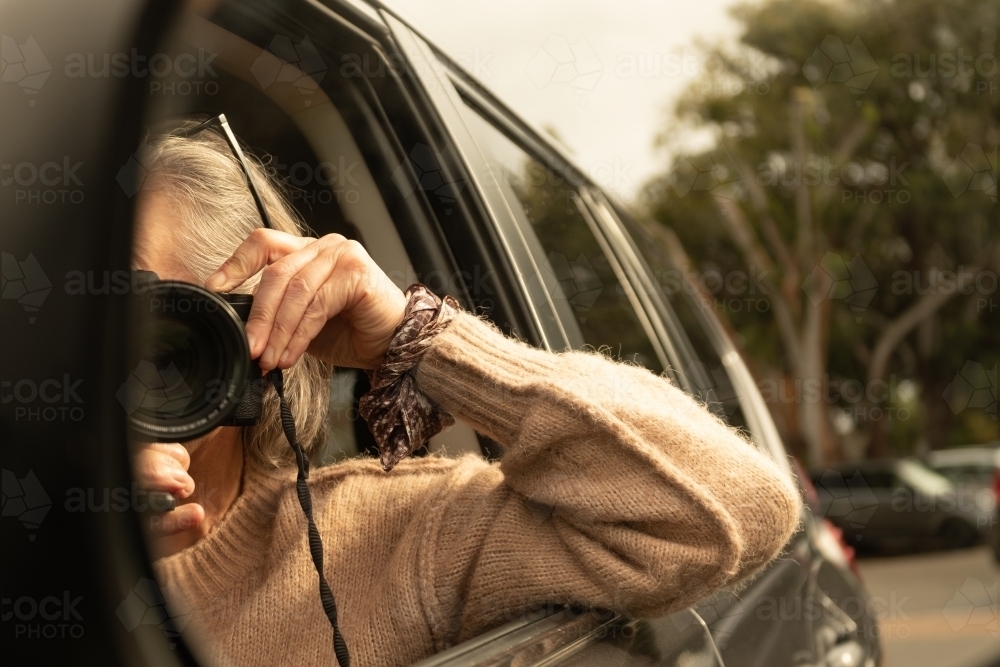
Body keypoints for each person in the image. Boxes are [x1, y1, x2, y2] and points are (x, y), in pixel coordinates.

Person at [131, 121, 801, 667]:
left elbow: (734, 512)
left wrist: (419, 337)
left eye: (144, 320)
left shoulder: (386, 541)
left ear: (252, 326)